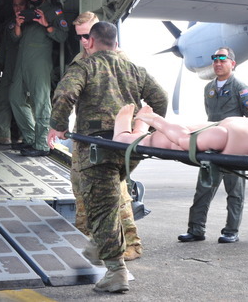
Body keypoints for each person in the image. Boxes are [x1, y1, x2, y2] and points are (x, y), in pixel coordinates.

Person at [47, 21, 167, 293]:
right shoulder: (135, 69)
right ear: (114, 41)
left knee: (100, 207)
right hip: (127, 148)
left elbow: (65, 93)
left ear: (91, 40)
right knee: (109, 200)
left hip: (96, 148)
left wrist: (58, 125)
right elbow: (159, 98)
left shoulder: (85, 66)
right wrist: (146, 126)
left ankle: (116, 272)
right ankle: (97, 246)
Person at [68, 12, 143, 261]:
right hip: (85, 137)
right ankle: (88, 236)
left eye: (88, 36)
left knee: (117, 194)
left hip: (112, 138)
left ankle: (130, 243)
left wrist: (143, 130)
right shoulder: (81, 59)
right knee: (80, 186)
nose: (85, 42)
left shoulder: (120, 60)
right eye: (80, 37)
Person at [177, 47, 248, 245]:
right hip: (213, 146)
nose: (218, 63)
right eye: (215, 59)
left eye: (223, 59)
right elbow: (211, 118)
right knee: (203, 188)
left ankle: (231, 231)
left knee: (235, 191)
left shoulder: (241, 87)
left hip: (233, 147)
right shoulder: (209, 88)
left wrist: (240, 140)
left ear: (232, 63)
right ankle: (196, 229)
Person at [10, 0, 69, 156]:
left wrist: (46, 25)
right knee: (15, 98)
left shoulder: (54, 11)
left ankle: (42, 144)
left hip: (39, 61)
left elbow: (62, 37)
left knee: (41, 101)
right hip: (22, 60)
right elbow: (15, 38)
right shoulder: (27, 12)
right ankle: (30, 139)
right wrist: (19, 25)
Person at [112, 103, 248, 156]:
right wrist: (156, 120)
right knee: (151, 141)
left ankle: (136, 132)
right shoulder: (225, 137)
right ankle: (126, 135)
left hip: (192, 134)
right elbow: (186, 140)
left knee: (158, 139)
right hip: (175, 137)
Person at [0, 0, 28, 144]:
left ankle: (24, 135)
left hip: (25, 69)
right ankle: (3, 133)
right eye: (15, 5)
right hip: (9, 68)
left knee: (24, 101)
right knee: (1, 99)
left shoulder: (34, 22)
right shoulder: (9, 24)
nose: (18, 8)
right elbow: (4, 47)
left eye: (21, 4)